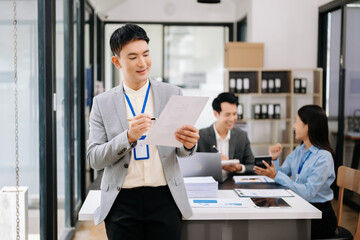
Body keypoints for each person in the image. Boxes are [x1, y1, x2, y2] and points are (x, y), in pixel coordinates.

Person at [87, 23, 200, 240]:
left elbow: (183, 151)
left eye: (146, 54)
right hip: (122, 202)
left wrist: (189, 144)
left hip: (165, 198)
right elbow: (94, 159)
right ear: (117, 61)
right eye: (132, 57)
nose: (142, 63)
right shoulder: (102, 103)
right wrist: (127, 137)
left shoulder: (172, 93)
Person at [254, 105, 337, 238]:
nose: (294, 126)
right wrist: (274, 160)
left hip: (319, 215)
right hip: (300, 206)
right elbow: (283, 174)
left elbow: (308, 192)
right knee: (267, 224)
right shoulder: (299, 150)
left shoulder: (324, 157)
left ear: (308, 126)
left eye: (297, 122)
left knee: (275, 229)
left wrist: (276, 175)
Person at [197, 92, 254, 175]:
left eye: (234, 114)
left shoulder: (242, 136)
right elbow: (194, 166)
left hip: (233, 185)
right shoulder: (201, 136)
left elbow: (252, 165)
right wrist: (215, 163)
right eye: (227, 115)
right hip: (209, 185)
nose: (232, 119)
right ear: (216, 114)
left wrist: (239, 168)